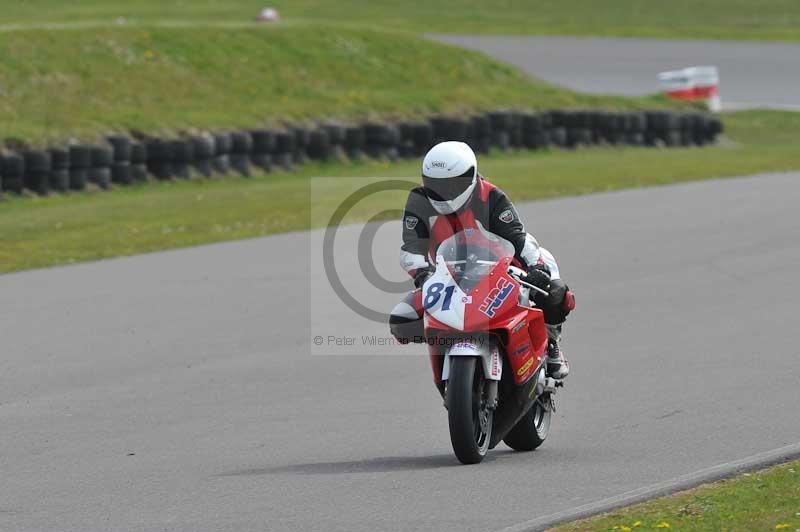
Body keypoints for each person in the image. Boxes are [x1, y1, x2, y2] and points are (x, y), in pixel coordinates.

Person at [388, 141, 574, 379]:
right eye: (435, 185)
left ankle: (550, 343)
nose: (444, 192)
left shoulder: (490, 196)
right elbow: (410, 248)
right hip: (446, 275)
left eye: (452, 184)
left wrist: (535, 267)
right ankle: (446, 347)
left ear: (471, 176)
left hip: (499, 269)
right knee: (400, 320)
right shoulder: (419, 200)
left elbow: (518, 238)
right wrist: (423, 274)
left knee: (553, 285)